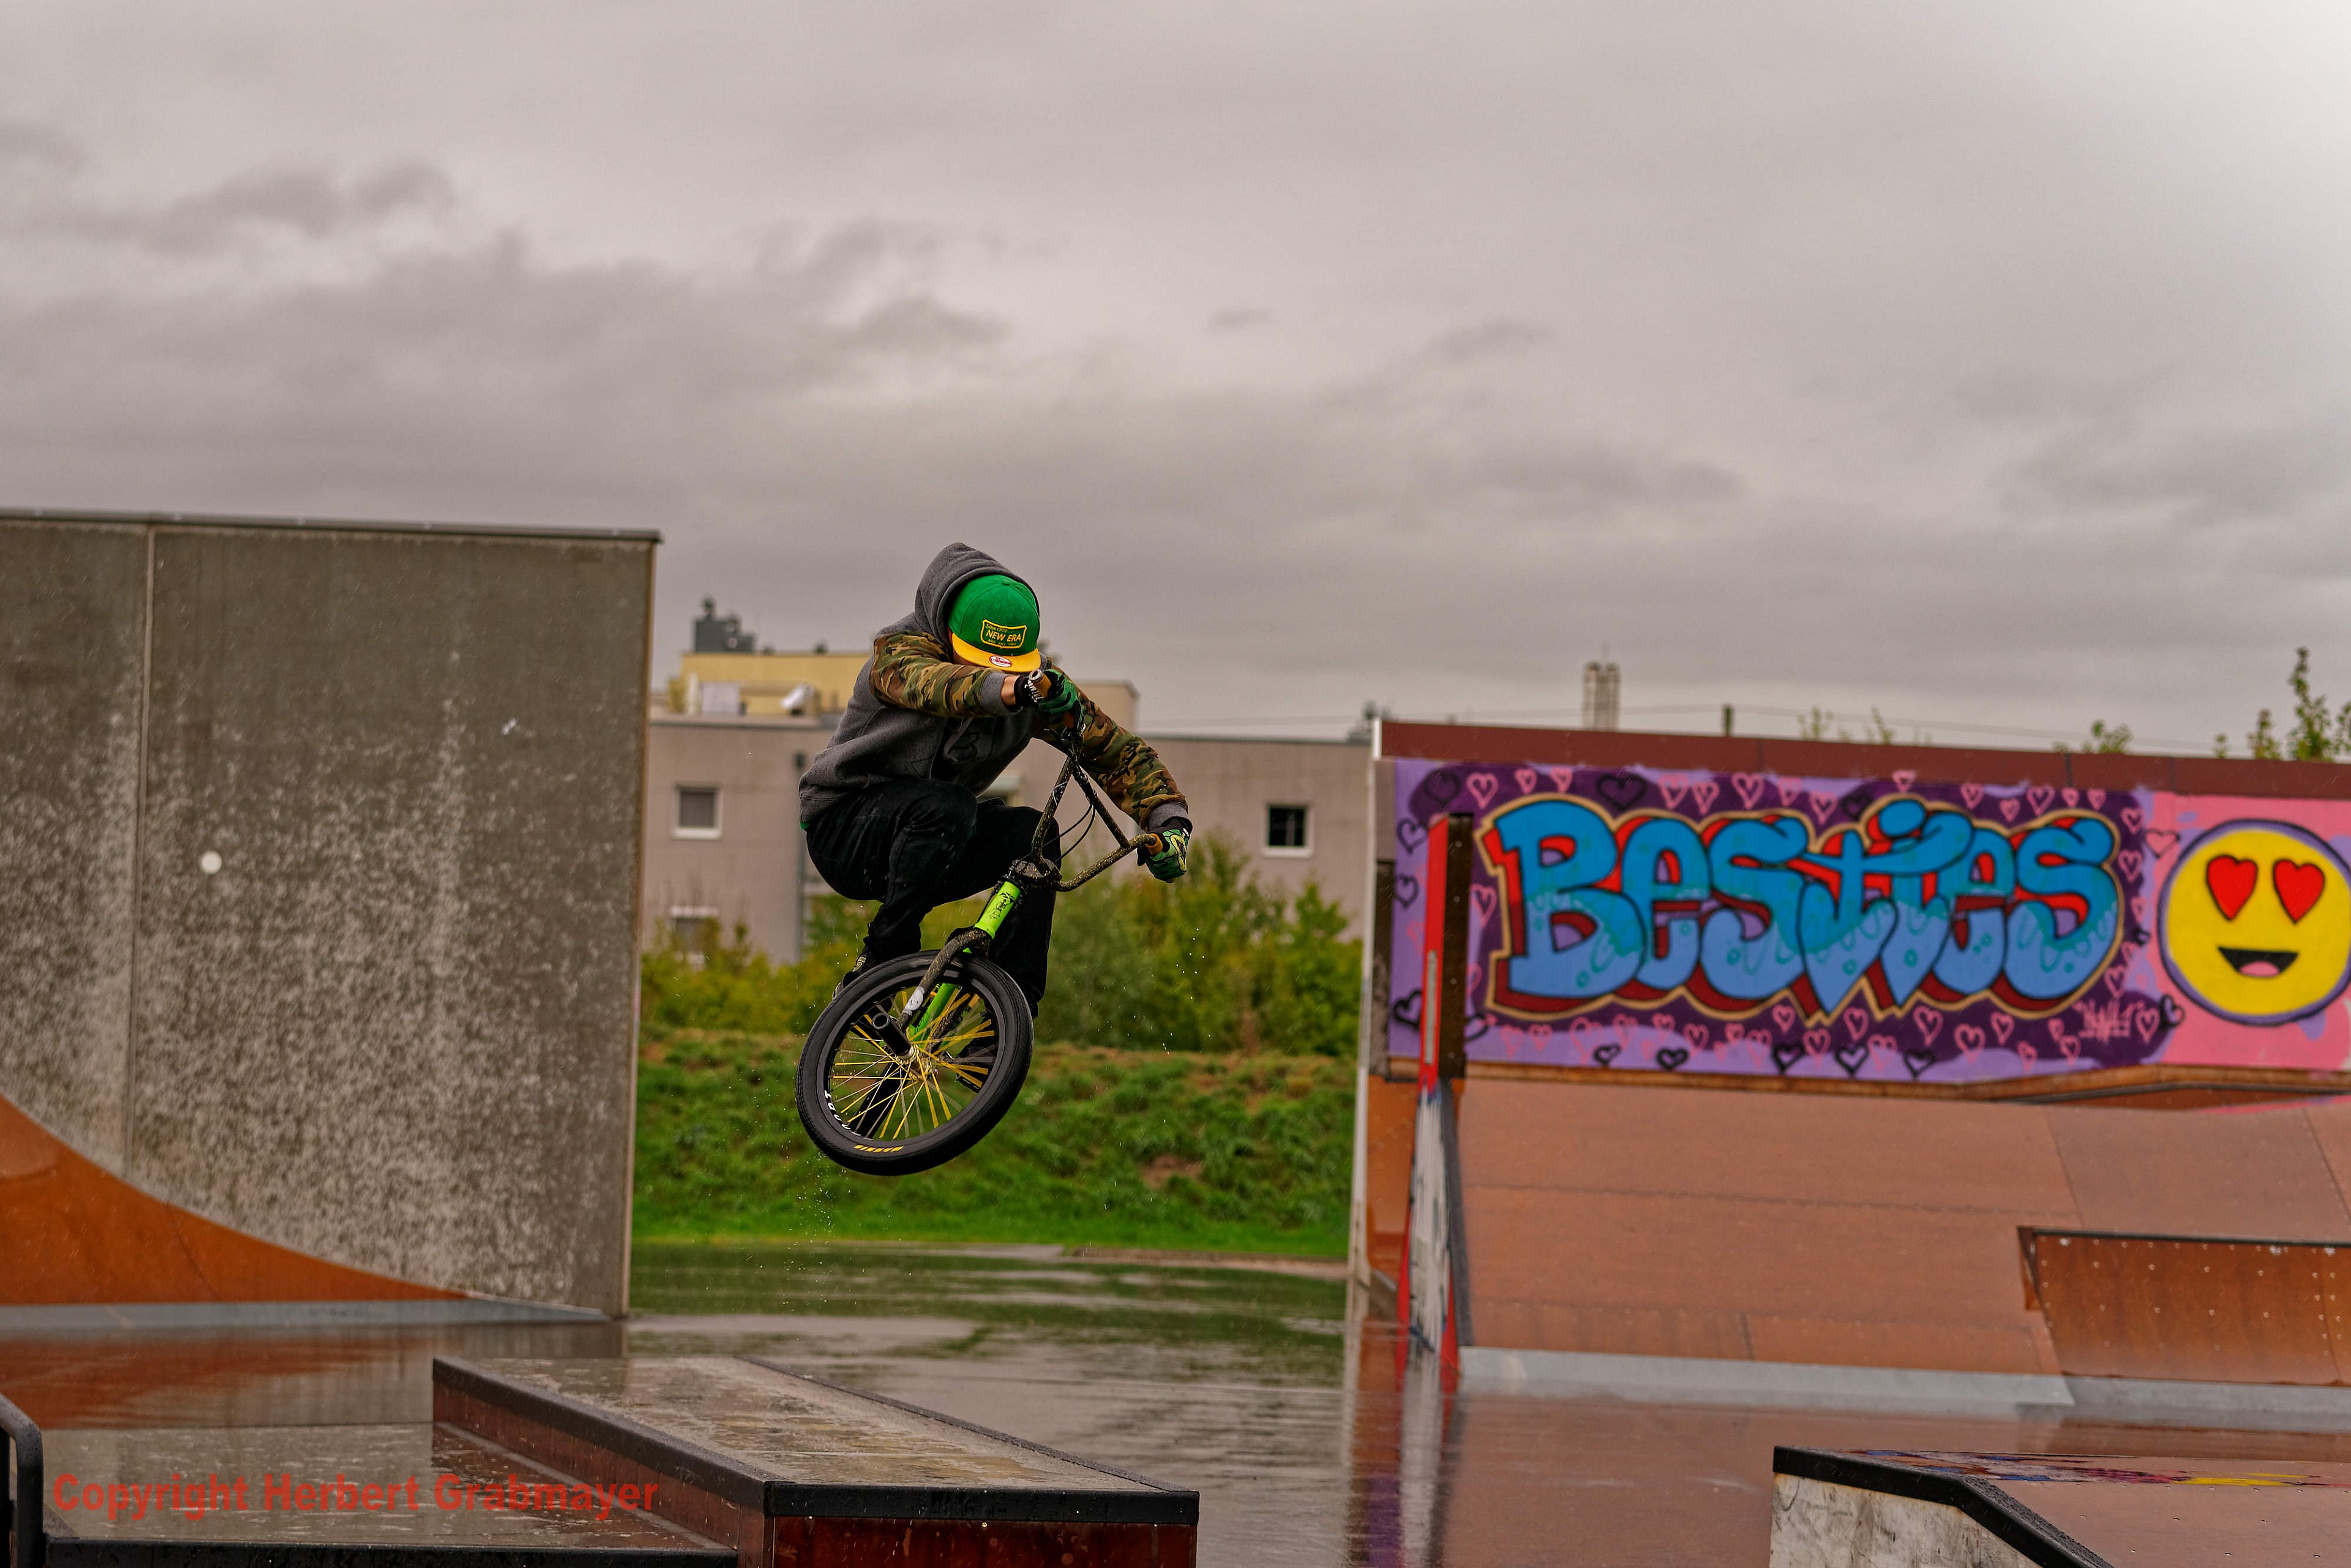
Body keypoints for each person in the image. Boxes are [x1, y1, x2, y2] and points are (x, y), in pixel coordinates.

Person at [798, 543, 1192, 1011]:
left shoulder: (1036, 686)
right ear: (946, 631)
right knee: (948, 806)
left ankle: (1008, 1008)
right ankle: (880, 965)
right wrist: (1009, 688)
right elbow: (937, 686)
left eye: (1005, 668)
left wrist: (1170, 821)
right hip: (845, 831)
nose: (991, 674)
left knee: (1034, 836)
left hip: (929, 845)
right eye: (980, 662)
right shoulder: (898, 655)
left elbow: (1118, 752)